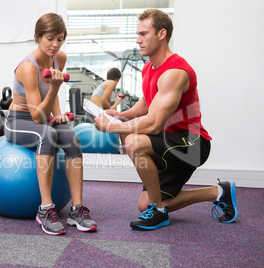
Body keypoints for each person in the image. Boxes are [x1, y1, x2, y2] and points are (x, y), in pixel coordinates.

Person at [94, 9, 237, 230]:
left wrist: (112, 126)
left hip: (192, 144)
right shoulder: (150, 67)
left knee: (132, 140)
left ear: (162, 34)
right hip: (168, 142)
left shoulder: (175, 71)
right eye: (137, 34)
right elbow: (147, 101)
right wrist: (121, 115)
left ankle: (159, 212)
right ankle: (218, 192)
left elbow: (153, 123)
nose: (137, 39)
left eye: (143, 33)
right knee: (145, 205)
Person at [4, 13, 97, 235]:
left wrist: (59, 115)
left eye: (60, 39)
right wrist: (55, 88)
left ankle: (76, 209)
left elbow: (49, 100)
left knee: (72, 137)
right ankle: (45, 209)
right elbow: (37, 117)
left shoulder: (59, 58)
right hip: (18, 121)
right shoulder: (28, 67)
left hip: (42, 116)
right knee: (46, 135)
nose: (55, 45)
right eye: (50, 38)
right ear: (37, 37)